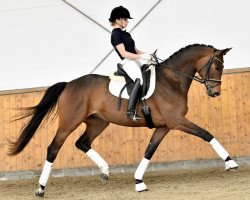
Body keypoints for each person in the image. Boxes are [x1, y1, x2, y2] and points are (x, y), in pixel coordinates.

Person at [109, 6, 152, 121]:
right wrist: (141, 57)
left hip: (135, 60)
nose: (127, 22)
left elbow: (136, 50)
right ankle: (130, 111)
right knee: (139, 79)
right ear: (117, 20)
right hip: (128, 62)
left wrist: (149, 54)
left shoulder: (126, 34)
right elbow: (123, 53)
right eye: (125, 19)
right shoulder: (115, 35)